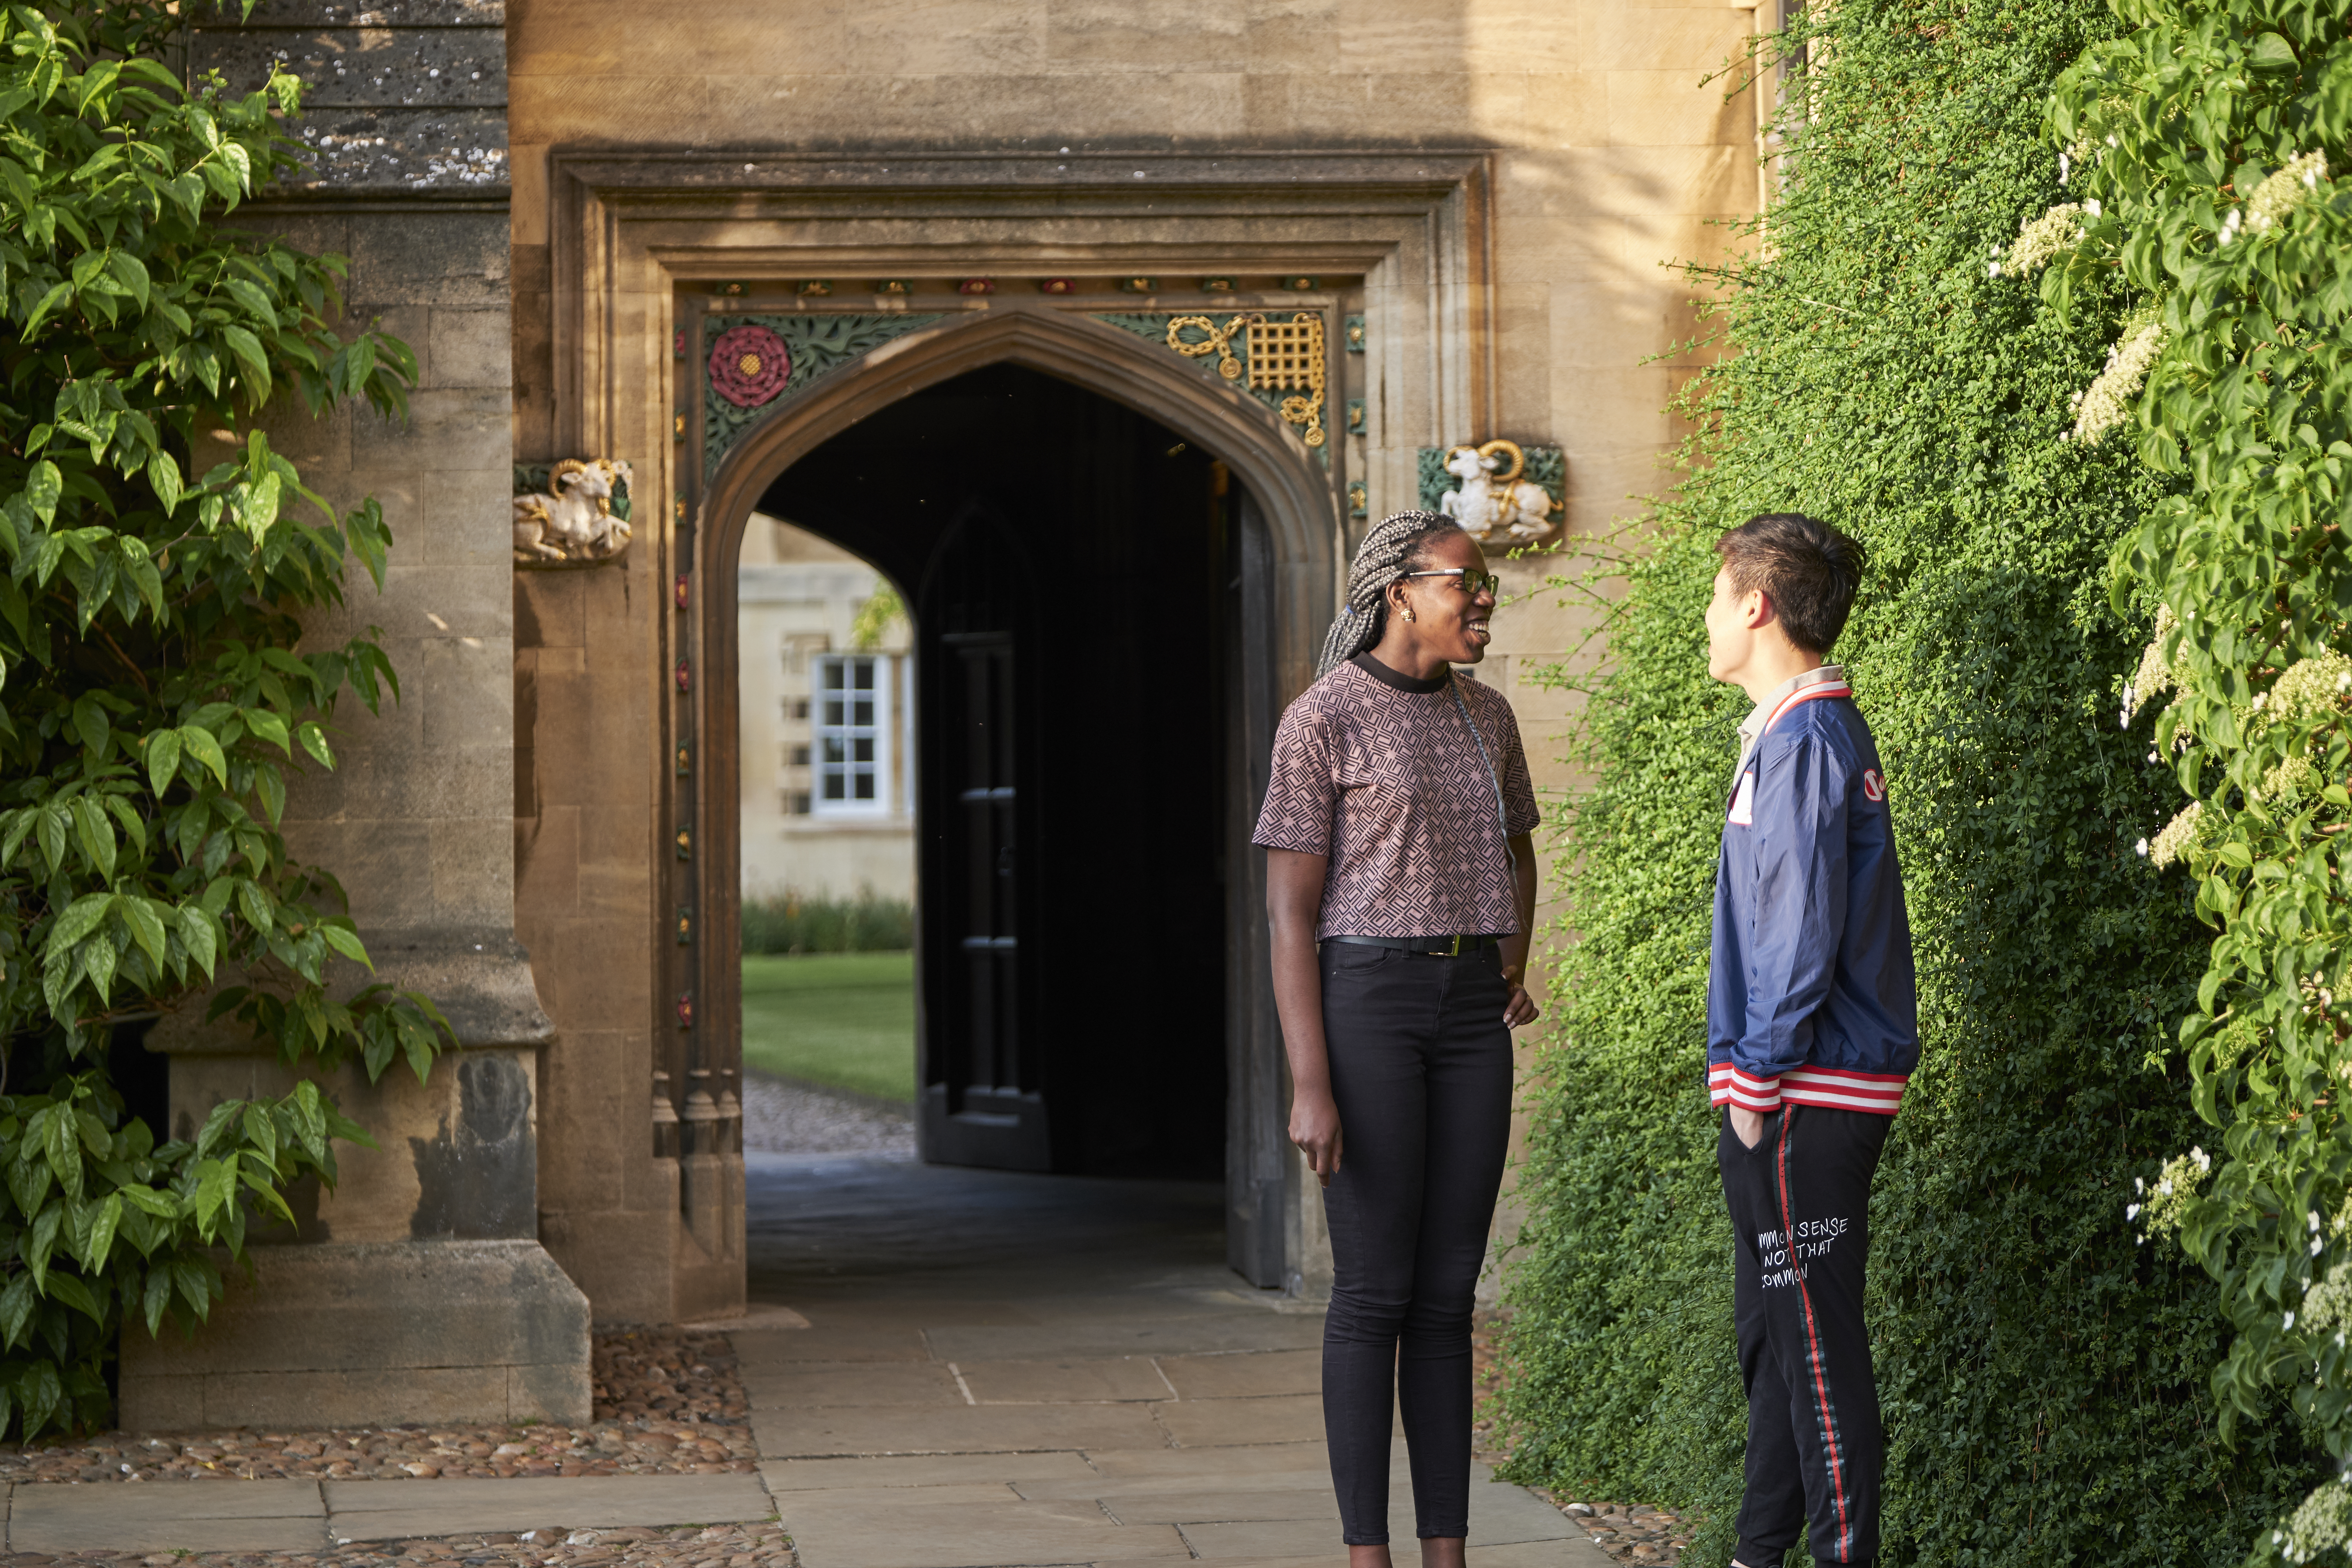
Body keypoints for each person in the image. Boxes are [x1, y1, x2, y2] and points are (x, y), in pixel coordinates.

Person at [1254, 510, 1542, 1568]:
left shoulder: (1489, 715)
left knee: (1445, 1293)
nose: (1481, 601)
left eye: (1487, 587)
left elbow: (1517, 847)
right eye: (1464, 583)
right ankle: (1364, 1552)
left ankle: (1445, 1551)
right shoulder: (1322, 718)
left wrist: (1508, 959)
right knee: (1373, 1288)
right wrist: (1308, 1081)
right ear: (1398, 591)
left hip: (1471, 1016)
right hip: (1366, 999)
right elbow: (1290, 913)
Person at [1702, 513, 1917, 1568]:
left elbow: (1795, 927)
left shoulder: (1802, 741)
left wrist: (1756, 1076)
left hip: (1801, 1094)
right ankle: (1758, 1551)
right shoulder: (1802, 732)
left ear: (1755, 605)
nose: (1704, 620)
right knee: (1776, 1345)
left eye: (1713, 598)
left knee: (1816, 1354)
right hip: (1800, 1086)